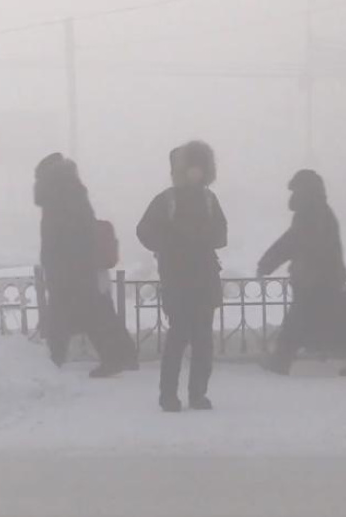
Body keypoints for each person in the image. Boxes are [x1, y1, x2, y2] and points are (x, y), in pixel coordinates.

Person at [137, 141, 227, 412]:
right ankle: (168, 395)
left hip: (203, 277)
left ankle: (198, 394)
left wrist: (201, 240)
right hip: (177, 278)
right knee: (178, 338)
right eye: (191, 168)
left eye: (200, 168)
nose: (195, 173)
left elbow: (222, 234)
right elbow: (144, 231)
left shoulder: (210, 200)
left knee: (202, 340)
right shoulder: (167, 200)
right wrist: (171, 244)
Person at [34, 153, 138, 378]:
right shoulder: (70, 192)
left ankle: (54, 361)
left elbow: (64, 235)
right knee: (93, 313)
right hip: (76, 267)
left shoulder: (60, 195)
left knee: (68, 316)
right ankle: (121, 354)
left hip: (69, 267)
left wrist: (61, 264)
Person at [257, 169, 346, 376]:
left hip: (314, 278)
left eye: (296, 190)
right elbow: (294, 241)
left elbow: (293, 242)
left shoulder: (311, 213)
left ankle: (281, 360)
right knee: (330, 320)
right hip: (322, 277)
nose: (292, 196)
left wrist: (267, 263)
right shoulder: (317, 211)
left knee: (298, 321)